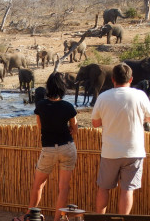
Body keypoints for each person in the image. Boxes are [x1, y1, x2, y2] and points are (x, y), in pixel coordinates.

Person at [16, 72, 78, 221]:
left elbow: (40, 126)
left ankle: (30, 216)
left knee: (38, 184)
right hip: (67, 147)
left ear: (48, 87)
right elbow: (74, 129)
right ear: (63, 87)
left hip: (48, 149)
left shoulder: (41, 105)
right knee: (63, 187)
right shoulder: (68, 106)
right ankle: (58, 219)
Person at [91, 63, 150, 214]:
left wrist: (110, 119)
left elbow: (95, 123)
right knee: (127, 190)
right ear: (131, 79)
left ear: (112, 79)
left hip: (110, 151)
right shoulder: (140, 96)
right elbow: (148, 118)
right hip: (134, 151)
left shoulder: (103, 97)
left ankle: (100, 219)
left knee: (103, 188)